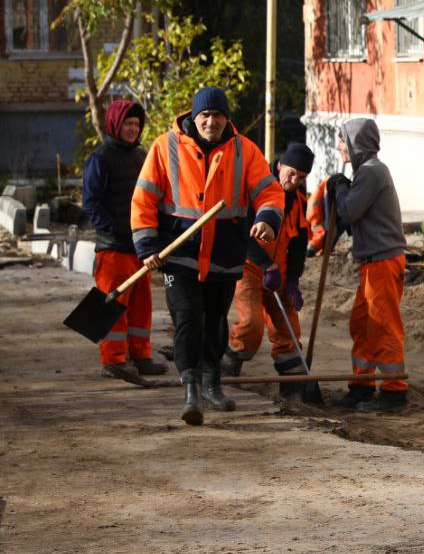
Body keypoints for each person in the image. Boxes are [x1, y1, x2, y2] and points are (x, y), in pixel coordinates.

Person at [132, 86, 284, 426]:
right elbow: (143, 201)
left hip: (224, 255)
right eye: (205, 115)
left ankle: (212, 381)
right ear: (193, 116)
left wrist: (266, 220)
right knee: (187, 317)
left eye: (217, 116)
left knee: (215, 320)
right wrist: (147, 247)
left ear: (226, 118)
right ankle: (191, 390)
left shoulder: (244, 150)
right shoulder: (164, 147)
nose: (210, 122)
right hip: (178, 256)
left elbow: (270, 192)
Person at [222, 142, 320, 403]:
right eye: (291, 172)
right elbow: (244, 234)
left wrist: (293, 281)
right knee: (251, 326)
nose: (294, 180)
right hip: (250, 268)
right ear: (279, 165)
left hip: (280, 274)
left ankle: (293, 389)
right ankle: (225, 371)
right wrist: (267, 265)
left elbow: (298, 244)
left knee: (289, 332)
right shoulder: (258, 191)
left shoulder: (299, 201)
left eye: (301, 177)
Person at [82, 99, 167, 378]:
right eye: (128, 124)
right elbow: (91, 202)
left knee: (141, 305)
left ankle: (140, 355)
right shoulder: (100, 158)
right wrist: (114, 229)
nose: (133, 129)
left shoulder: (142, 156)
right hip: (113, 248)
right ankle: (113, 359)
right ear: (115, 124)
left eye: (136, 124)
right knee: (112, 304)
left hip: (139, 248)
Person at [329, 119, 408, 413]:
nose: (340, 146)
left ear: (355, 143)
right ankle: (361, 386)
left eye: (342, 140)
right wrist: (343, 187)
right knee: (362, 324)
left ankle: (394, 391)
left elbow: (350, 211)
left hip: (383, 262)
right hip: (372, 262)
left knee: (382, 327)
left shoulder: (372, 172)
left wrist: (339, 189)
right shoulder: (366, 173)